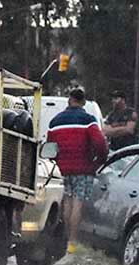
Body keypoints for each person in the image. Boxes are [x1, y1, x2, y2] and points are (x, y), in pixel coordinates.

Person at [46, 88, 108, 254]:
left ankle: (67, 238)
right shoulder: (88, 120)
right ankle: (72, 243)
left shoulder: (55, 122)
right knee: (78, 204)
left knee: (66, 202)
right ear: (83, 102)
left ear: (69, 100)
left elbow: (50, 147)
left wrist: (55, 163)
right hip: (83, 168)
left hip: (62, 169)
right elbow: (100, 143)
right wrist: (99, 161)